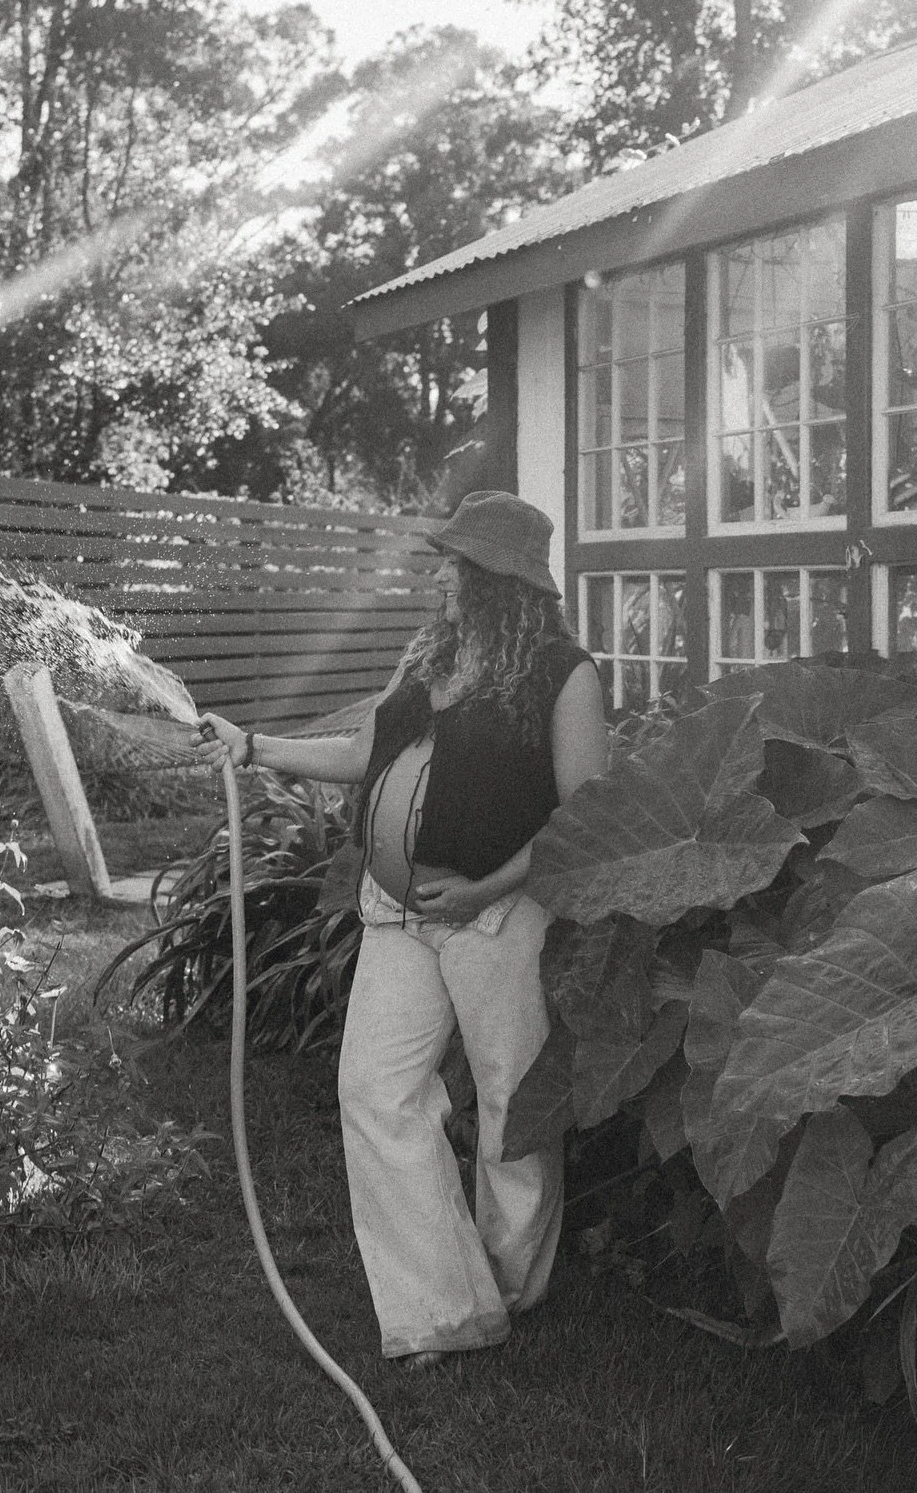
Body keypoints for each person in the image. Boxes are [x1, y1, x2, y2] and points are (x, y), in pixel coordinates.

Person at [193, 490, 608, 1368]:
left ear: (502, 580)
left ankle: (510, 1284)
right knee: (375, 1090)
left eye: (459, 564)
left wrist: (484, 887)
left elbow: (586, 811)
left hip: (497, 912)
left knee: (510, 1101)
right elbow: (359, 756)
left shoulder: (564, 675)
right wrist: (254, 744)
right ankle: (442, 1306)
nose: (443, 576)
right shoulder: (429, 660)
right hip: (396, 914)